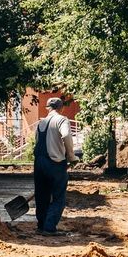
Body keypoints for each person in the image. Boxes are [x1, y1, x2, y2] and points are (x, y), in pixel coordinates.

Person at [33, 97, 77, 235]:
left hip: (39, 163)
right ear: (61, 108)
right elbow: (66, 135)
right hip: (55, 163)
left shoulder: (41, 123)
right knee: (59, 197)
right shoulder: (62, 120)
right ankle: (49, 227)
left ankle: (41, 225)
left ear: (48, 108)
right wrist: (71, 156)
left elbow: (36, 141)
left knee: (42, 196)